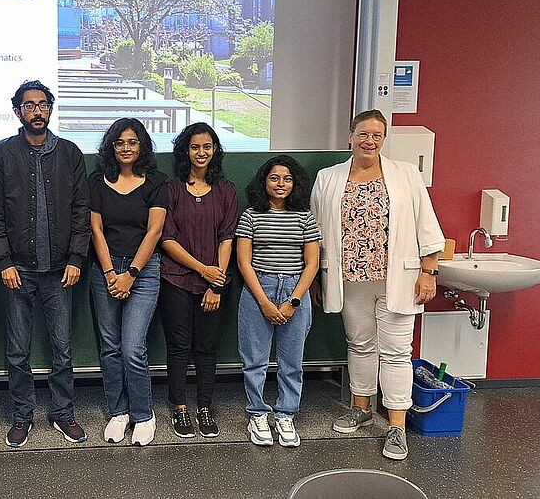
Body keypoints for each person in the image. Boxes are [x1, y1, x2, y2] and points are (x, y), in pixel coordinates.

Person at [311, 109, 444, 460]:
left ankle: (397, 425)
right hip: (348, 279)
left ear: (383, 140)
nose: (370, 141)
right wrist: (313, 277)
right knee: (359, 344)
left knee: (397, 351)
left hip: (397, 278)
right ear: (350, 136)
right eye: (363, 134)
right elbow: (315, 231)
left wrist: (429, 271)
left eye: (377, 135)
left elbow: (426, 223)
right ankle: (362, 407)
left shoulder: (405, 175)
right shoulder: (328, 177)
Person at [0, 80, 90, 447]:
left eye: (43, 105)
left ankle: (63, 413)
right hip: (18, 270)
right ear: (18, 111)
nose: (37, 111)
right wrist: (3, 262)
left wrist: (77, 257)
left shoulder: (70, 153)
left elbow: (81, 212)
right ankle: (22, 415)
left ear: (50, 109)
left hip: (61, 271)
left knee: (62, 350)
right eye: (29, 105)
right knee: (17, 351)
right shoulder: (1, 154)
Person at [87, 118, 167, 446]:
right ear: (111, 146)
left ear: (142, 146)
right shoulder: (97, 181)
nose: (125, 148)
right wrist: (110, 273)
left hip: (143, 271)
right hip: (103, 270)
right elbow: (96, 230)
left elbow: (155, 232)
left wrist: (131, 274)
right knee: (110, 347)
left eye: (132, 142)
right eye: (119, 143)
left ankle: (143, 415)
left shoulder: (157, 182)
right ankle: (118, 413)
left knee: (133, 347)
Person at [157, 122, 238, 439]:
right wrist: (202, 270)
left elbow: (227, 238)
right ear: (185, 151)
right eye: (194, 147)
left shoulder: (227, 190)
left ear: (215, 150)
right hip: (176, 280)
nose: (201, 152)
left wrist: (214, 282)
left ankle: (204, 406)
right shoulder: (172, 190)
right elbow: (167, 239)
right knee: (179, 347)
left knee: (206, 348)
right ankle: (179, 408)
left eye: (207, 146)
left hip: (214, 285)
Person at [236, 155, 320, 448]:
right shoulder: (250, 216)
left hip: (296, 289)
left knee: (291, 363)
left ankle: (285, 414)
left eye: (286, 178)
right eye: (274, 178)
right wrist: (264, 302)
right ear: (264, 182)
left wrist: (293, 301)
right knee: (255, 361)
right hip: (259, 287)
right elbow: (244, 263)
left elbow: (311, 264)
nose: (280, 184)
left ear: (294, 183)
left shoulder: (305, 217)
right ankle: (257, 414)